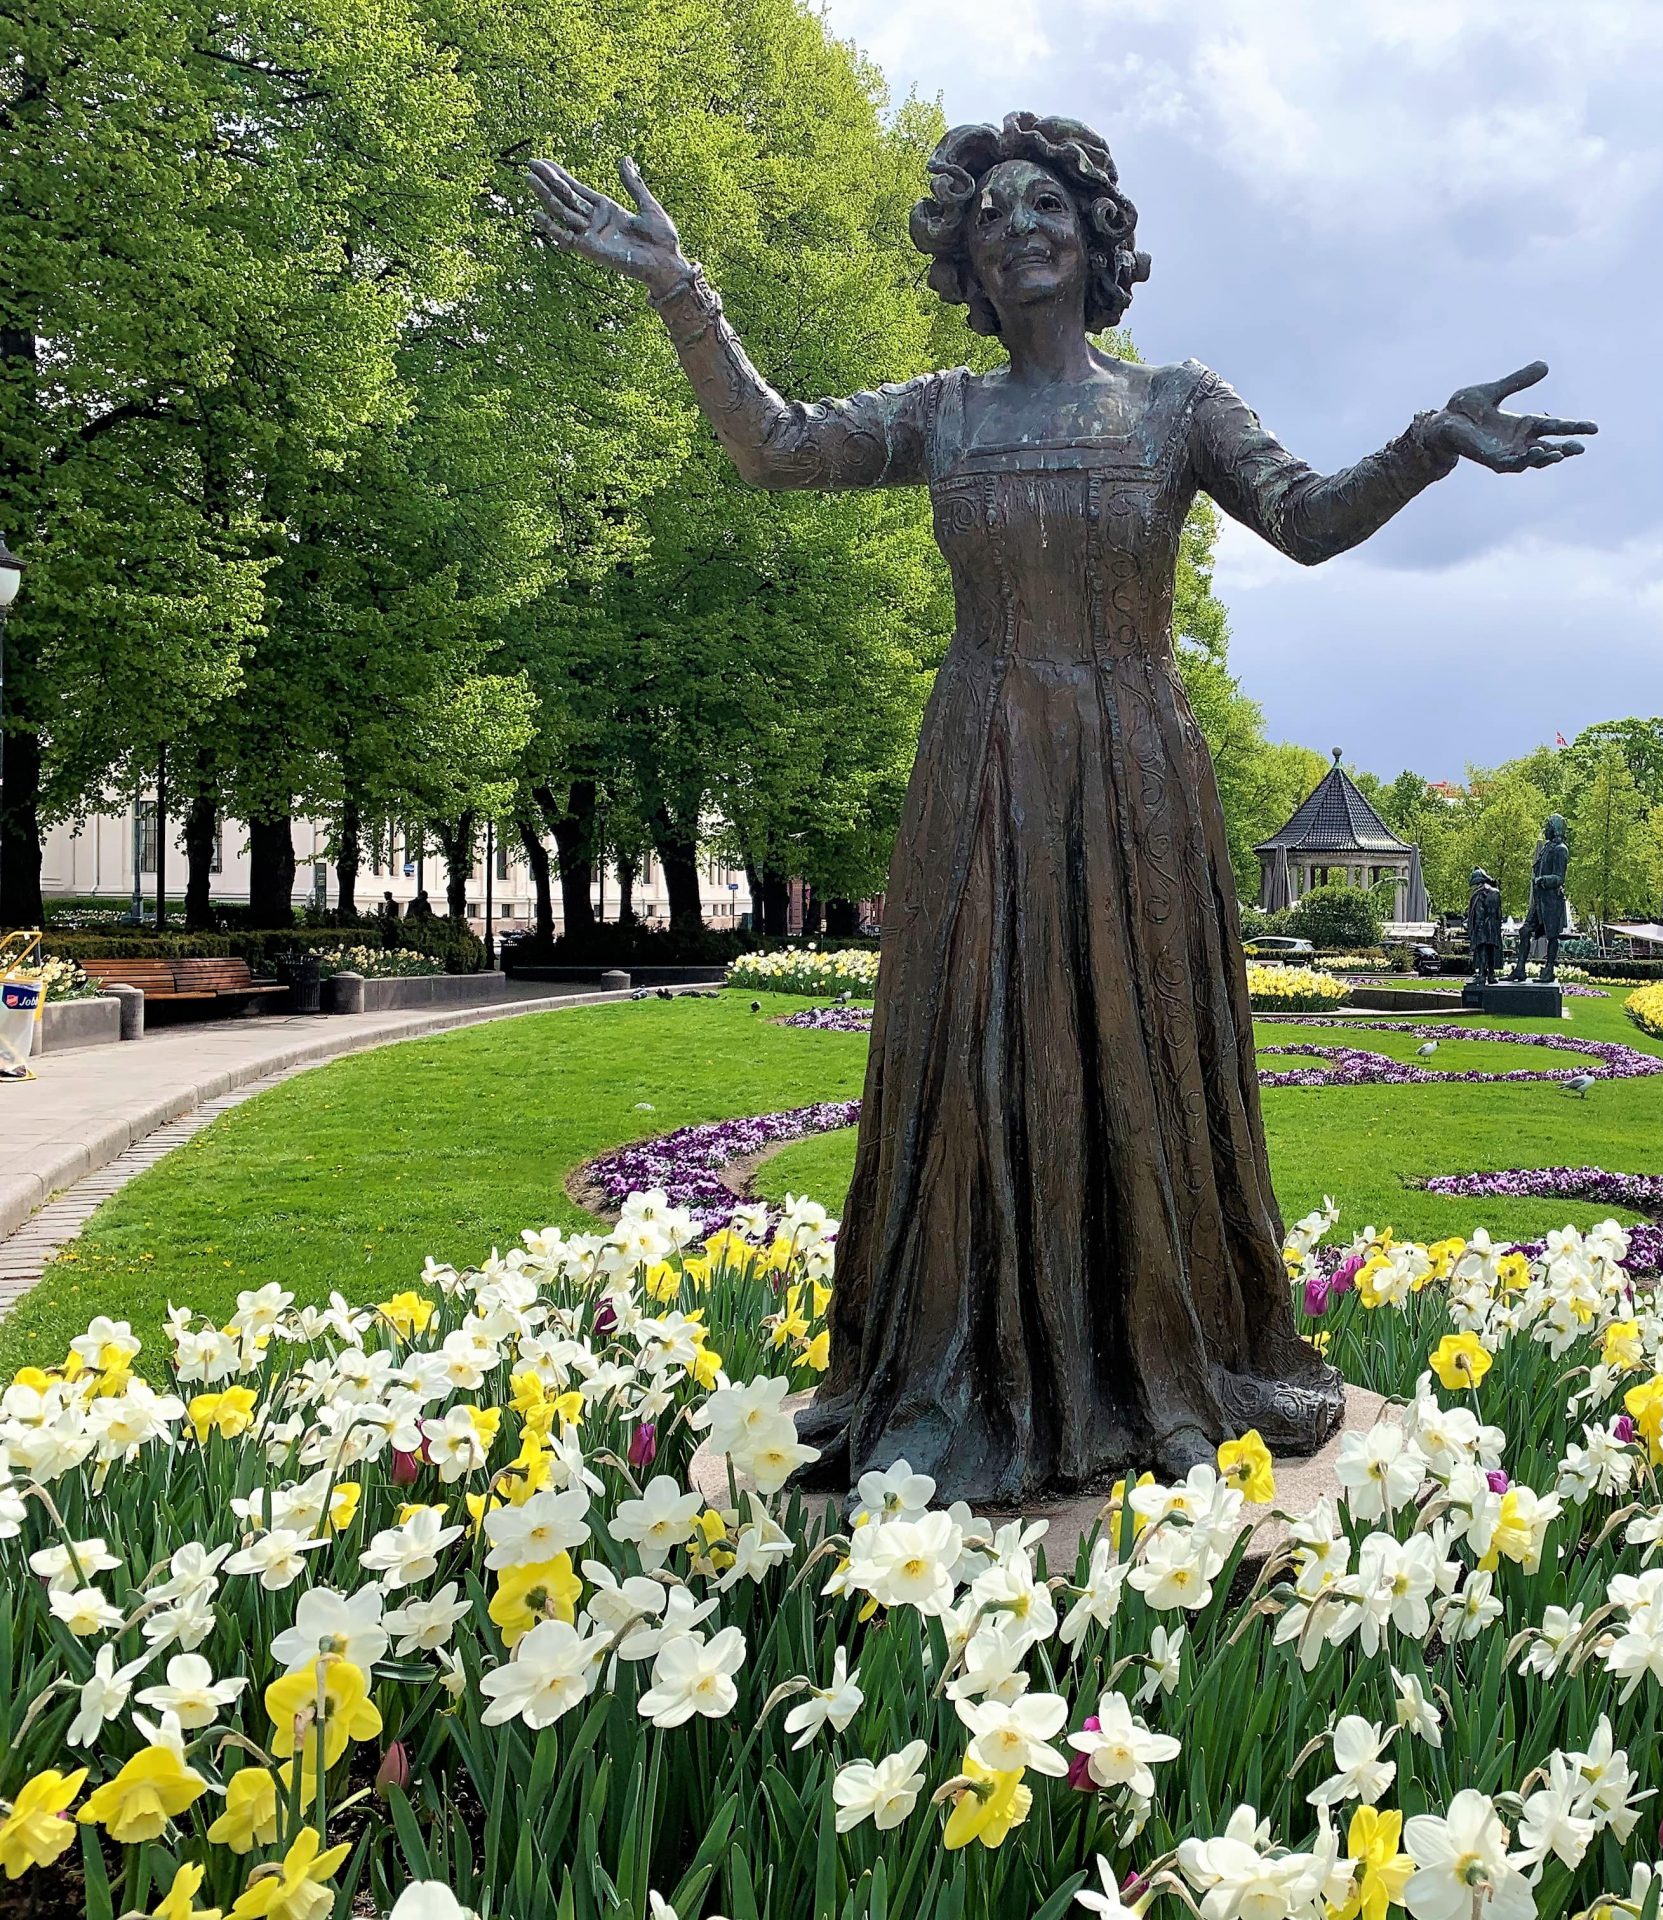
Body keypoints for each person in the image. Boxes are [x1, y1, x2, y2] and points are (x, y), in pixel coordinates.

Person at [527, 117, 1593, 1501]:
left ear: (1096, 240)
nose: (1018, 226)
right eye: (990, 214)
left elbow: (1310, 517)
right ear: (967, 260)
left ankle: (1151, 1363)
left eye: (1047, 205)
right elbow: (777, 447)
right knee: (974, 1052)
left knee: (1140, 1060)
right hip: (980, 769)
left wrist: (1427, 442)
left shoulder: (1177, 405)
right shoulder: (945, 412)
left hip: (1135, 773)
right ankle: (969, 1372)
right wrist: (685, 292)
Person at [1511, 814, 1571, 983]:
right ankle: (1520, 969)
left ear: (1554, 829)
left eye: (1548, 827)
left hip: (1552, 901)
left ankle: (1549, 969)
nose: (1545, 829)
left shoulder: (1561, 849)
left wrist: (1542, 880)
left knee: (1552, 936)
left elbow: (1559, 878)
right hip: (1540, 901)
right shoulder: (1546, 848)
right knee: (1524, 931)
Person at [1464, 869, 1505, 985]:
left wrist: (1473, 928)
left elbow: (1479, 912)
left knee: (1482, 950)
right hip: (1493, 927)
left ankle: (1482, 974)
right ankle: (1491, 975)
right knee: (1491, 950)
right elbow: (1499, 913)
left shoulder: (1478, 894)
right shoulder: (1496, 892)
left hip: (1482, 927)